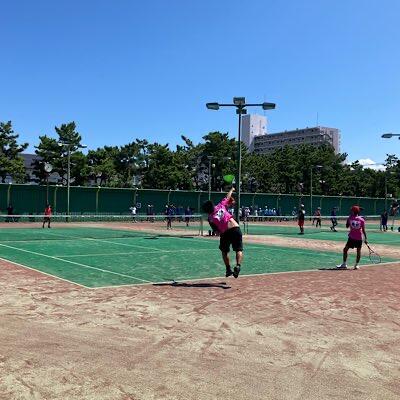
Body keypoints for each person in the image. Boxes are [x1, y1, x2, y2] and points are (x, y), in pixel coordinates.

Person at [202, 187, 243, 278]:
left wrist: (218, 229)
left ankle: (228, 269)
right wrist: (231, 190)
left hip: (225, 233)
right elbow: (228, 197)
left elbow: (216, 232)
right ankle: (238, 266)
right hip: (235, 228)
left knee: (224, 251)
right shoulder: (220, 205)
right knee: (238, 250)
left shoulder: (210, 218)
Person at [337, 205, 368, 270]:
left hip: (351, 238)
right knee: (358, 251)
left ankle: (344, 264)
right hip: (359, 238)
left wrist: (348, 220)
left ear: (353, 211)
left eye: (352, 210)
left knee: (345, 250)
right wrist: (366, 239)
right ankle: (356, 265)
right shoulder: (362, 220)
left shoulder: (350, 218)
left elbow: (347, 226)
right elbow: (364, 230)